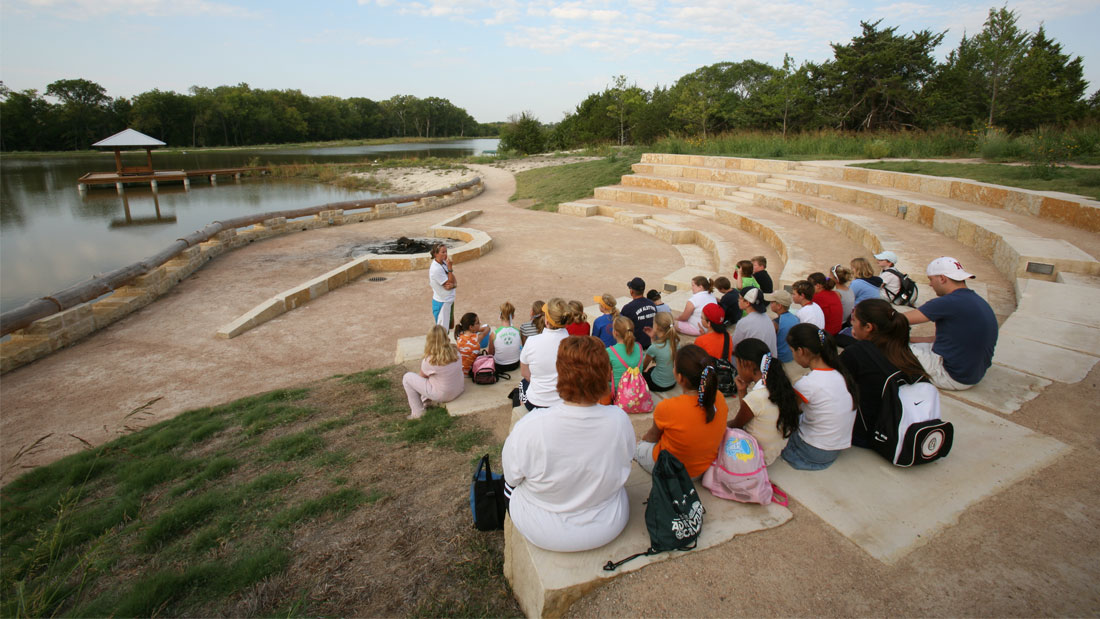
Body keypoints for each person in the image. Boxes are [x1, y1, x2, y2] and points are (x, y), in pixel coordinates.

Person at [502, 336, 635, 552]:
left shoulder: (532, 426)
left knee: (509, 485)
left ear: (560, 375)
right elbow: (626, 459)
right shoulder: (619, 419)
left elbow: (512, 477)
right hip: (609, 522)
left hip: (545, 530)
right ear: (605, 376)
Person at [841, 299, 929, 447]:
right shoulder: (902, 349)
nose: (852, 324)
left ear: (868, 327)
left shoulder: (856, 352)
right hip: (896, 425)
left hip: (868, 434)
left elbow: (831, 384)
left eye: (854, 320)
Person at [904, 257, 998, 390]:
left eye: (931, 279)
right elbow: (941, 339)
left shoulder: (948, 302)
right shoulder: (976, 300)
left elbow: (897, 319)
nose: (930, 285)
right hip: (972, 374)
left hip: (951, 376)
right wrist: (909, 340)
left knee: (887, 348)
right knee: (907, 344)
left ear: (942, 278)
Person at [636, 344, 729, 478]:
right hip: (701, 468)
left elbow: (651, 437)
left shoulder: (668, 407)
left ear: (680, 378)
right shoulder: (718, 397)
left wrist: (642, 443)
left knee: (638, 448)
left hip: (673, 470)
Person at [780, 323, 859, 471]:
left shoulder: (807, 384)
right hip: (835, 448)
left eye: (792, 351)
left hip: (814, 451)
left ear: (801, 351)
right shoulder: (841, 373)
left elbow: (788, 415)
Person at [729, 338, 800, 465]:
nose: (737, 368)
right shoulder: (778, 384)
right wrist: (742, 392)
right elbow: (750, 412)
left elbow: (736, 425)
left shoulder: (757, 397)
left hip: (757, 457)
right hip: (773, 451)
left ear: (748, 365)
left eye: (738, 363)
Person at [518, 298, 573, 410]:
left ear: (546, 321)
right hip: (563, 400)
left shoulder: (532, 341)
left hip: (536, 402)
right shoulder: (573, 344)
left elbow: (525, 373)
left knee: (522, 384)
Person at [402, 325, 465, 419]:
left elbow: (422, 377)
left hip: (444, 395)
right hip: (459, 389)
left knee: (408, 378)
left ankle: (418, 412)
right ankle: (426, 402)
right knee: (436, 378)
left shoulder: (430, 360)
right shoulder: (456, 351)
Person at [730, 288, 777, 359]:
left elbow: (734, 346)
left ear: (747, 303)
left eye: (740, 298)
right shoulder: (767, 317)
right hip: (769, 360)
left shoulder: (744, 322)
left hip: (756, 364)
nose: (738, 300)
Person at [766, 290, 801, 375]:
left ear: (779, 306)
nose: (770, 304)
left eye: (772, 302)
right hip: (790, 356)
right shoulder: (795, 318)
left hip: (780, 358)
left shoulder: (775, 323)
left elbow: (768, 342)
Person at [643, 312, 678, 392]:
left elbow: (644, 366)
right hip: (673, 382)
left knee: (645, 372)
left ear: (656, 327)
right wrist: (653, 338)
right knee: (652, 368)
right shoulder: (676, 341)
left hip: (657, 385)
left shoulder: (654, 347)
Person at [607, 315, 642, 394]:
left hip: (618, 392)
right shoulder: (639, 347)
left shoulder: (609, 351)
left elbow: (607, 377)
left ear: (615, 333)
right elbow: (641, 370)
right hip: (637, 388)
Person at [621, 277, 657, 348]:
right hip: (651, 342)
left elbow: (621, 327)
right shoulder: (652, 304)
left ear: (631, 291)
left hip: (635, 346)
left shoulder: (628, 308)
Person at [428, 243, 456, 328]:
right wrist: (450, 268)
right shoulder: (436, 269)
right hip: (442, 303)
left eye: (446, 252)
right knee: (442, 331)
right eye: (443, 252)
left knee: (450, 326)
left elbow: (453, 281)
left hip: (448, 300)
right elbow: (450, 282)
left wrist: (454, 285)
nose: (445, 254)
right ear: (435, 254)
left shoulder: (443, 263)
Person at [489, 301, 522, 372]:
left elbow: (490, 353)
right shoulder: (518, 332)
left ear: (500, 316)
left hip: (499, 366)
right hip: (515, 364)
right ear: (513, 316)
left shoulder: (494, 334)